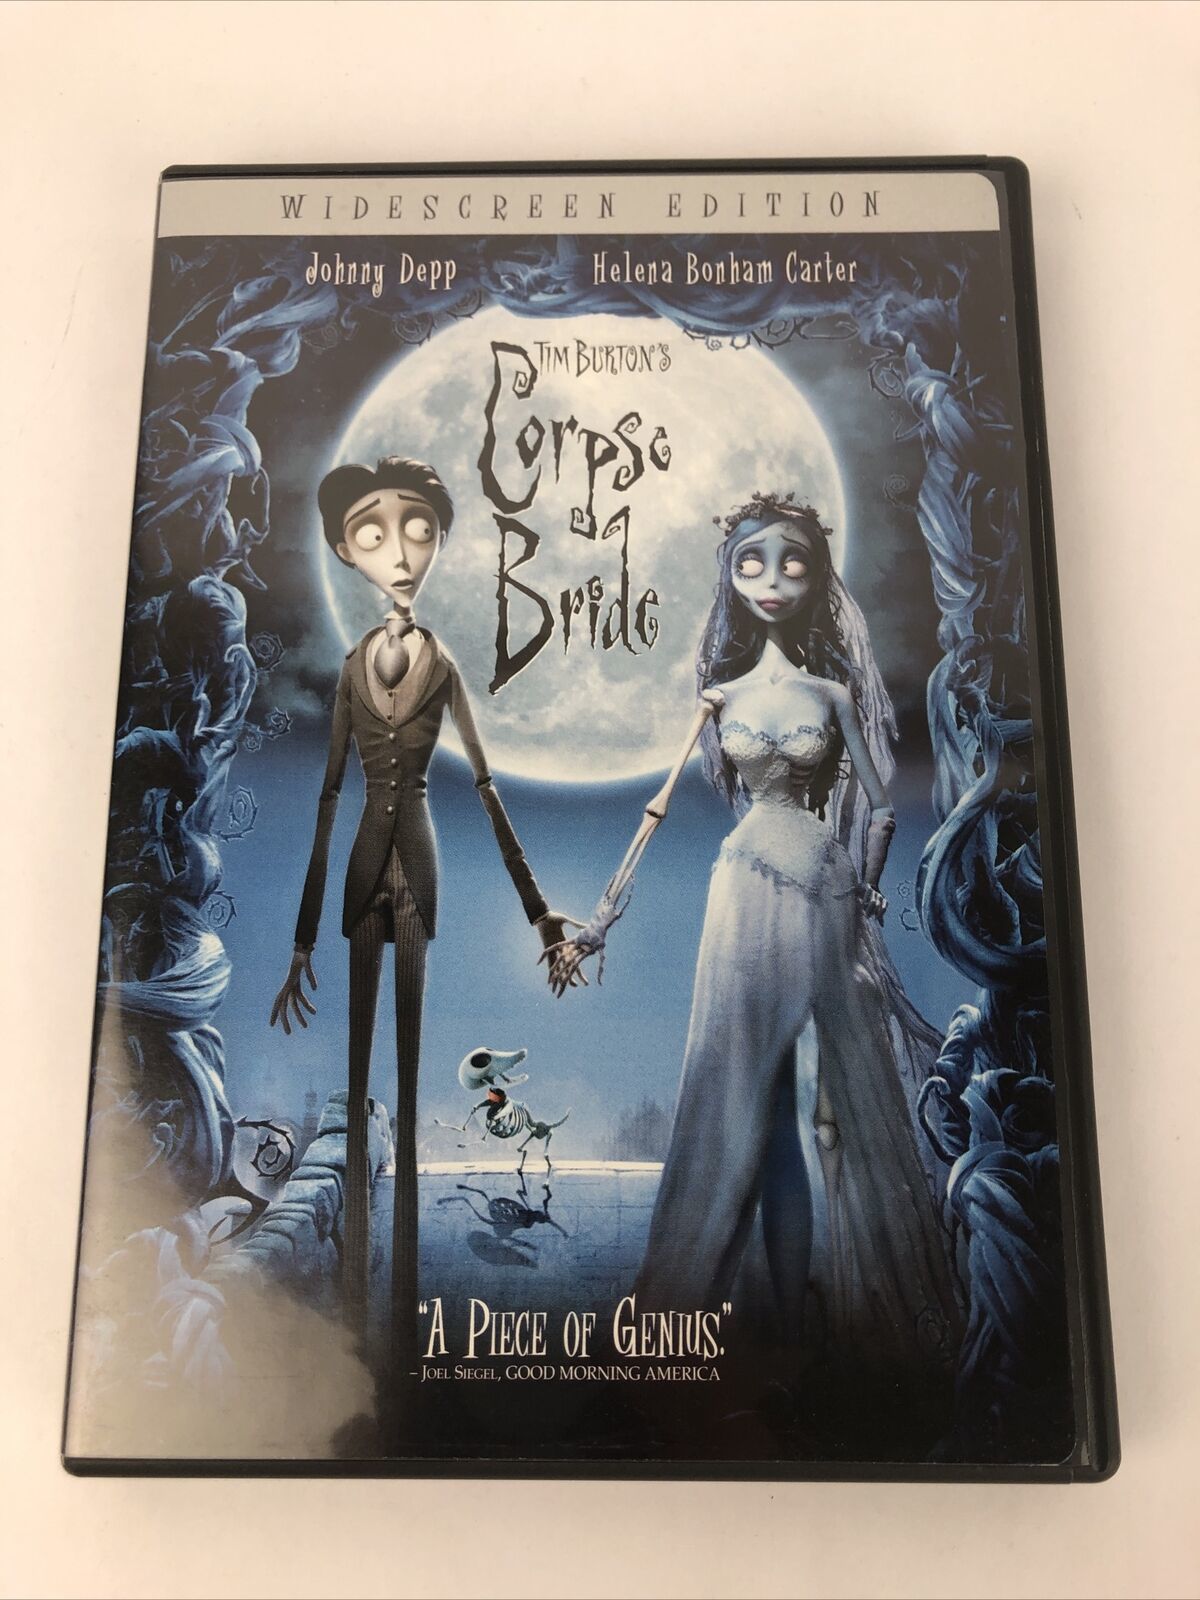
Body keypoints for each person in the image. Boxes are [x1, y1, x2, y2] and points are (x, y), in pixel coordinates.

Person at [547, 492, 961, 1378]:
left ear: (817, 576)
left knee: (832, 1099)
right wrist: (603, 918)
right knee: (754, 1097)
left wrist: (866, 893)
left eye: (792, 561)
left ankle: (816, 1317)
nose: (772, 579)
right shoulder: (719, 697)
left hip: (821, 889)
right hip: (742, 894)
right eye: (751, 562)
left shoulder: (832, 693)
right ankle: (780, 1321)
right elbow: (656, 810)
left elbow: (883, 809)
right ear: (730, 578)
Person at [270, 456, 578, 1373]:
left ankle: (402, 1317)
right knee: (358, 1071)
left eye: (418, 531)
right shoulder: (351, 669)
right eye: (372, 533)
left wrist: (539, 915)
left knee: (404, 1086)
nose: (399, 552)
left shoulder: (442, 665)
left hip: (421, 872)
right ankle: (351, 1308)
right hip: (363, 868)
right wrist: (300, 942)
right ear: (345, 549)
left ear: (440, 541)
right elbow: (329, 797)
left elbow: (484, 787)